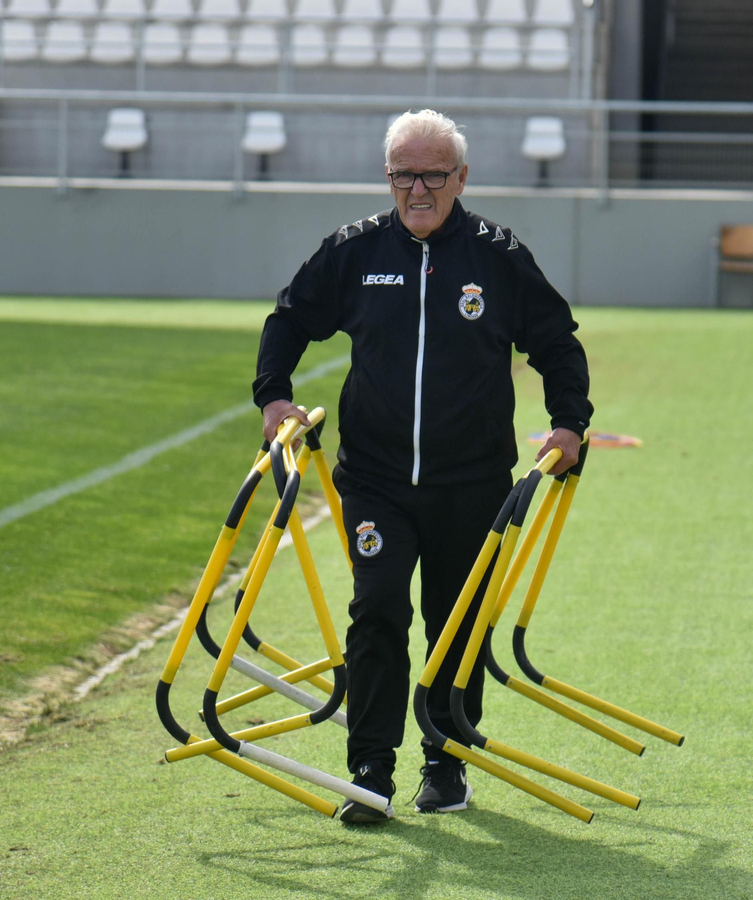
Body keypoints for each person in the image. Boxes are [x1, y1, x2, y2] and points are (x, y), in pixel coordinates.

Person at [253, 109, 592, 824]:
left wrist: (569, 423)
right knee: (377, 610)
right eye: (404, 173)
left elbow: (556, 341)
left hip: (471, 484)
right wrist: (274, 398)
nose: (417, 188)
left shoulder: (497, 258)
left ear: (461, 178)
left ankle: (446, 761)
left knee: (456, 623)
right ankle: (370, 771)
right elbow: (288, 320)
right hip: (374, 479)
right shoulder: (353, 251)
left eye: (433, 174)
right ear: (388, 177)